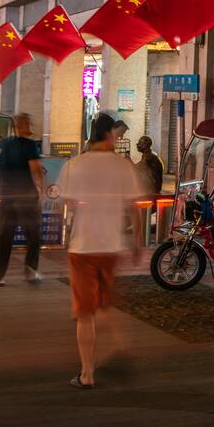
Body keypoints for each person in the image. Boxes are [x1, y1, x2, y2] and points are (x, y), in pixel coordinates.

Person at [57, 112, 144, 389]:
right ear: (108, 135)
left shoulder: (74, 165)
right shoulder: (123, 167)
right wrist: (138, 243)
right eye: (116, 135)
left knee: (85, 313)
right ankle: (119, 345)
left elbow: (66, 203)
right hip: (111, 247)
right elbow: (134, 209)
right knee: (104, 303)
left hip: (82, 248)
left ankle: (86, 373)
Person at [0, 113, 44, 286]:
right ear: (25, 125)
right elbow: (36, 169)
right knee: (33, 234)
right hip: (25, 197)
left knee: (3, 236)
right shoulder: (30, 145)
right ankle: (30, 271)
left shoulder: (5, 144)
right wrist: (40, 188)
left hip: (6, 196)